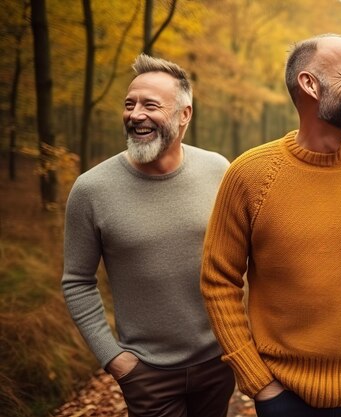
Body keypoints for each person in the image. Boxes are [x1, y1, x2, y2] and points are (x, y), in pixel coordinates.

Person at [200, 34, 341, 417]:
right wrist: (257, 380)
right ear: (309, 84)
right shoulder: (249, 175)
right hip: (283, 394)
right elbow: (218, 281)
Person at [61, 54, 234, 417]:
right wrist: (115, 359)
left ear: (184, 114)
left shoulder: (218, 170)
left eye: (150, 105)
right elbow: (77, 281)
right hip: (147, 373)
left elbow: (240, 258)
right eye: (129, 104)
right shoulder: (91, 189)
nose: (135, 114)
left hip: (218, 363)